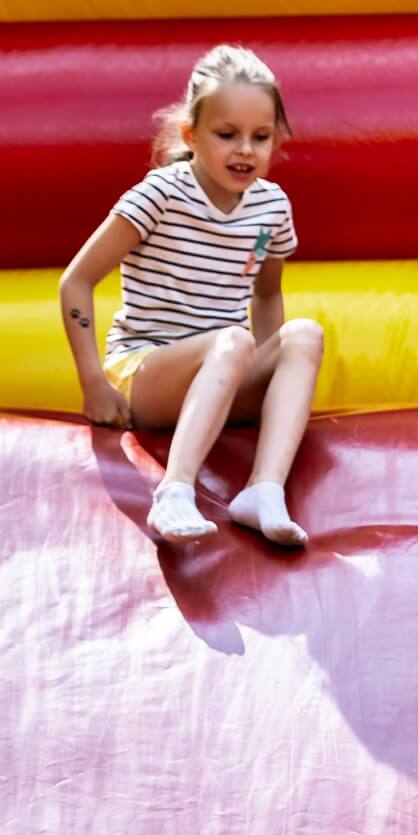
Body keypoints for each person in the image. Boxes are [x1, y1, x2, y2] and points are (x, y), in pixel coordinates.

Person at [58, 45, 324, 546]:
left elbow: (267, 296)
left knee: (304, 335)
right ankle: (174, 490)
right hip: (147, 373)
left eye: (260, 136)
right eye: (226, 135)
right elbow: (77, 280)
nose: (244, 150)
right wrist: (93, 382)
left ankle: (264, 489)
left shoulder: (271, 207)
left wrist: (269, 374)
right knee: (233, 340)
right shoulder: (161, 194)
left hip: (226, 371)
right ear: (191, 135)